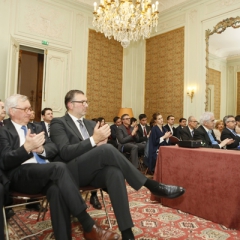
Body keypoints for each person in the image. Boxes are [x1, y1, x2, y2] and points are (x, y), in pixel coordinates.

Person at [50, 90, 185, 240]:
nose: (86, 105)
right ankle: (151, 185)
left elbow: (94, 149)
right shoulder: (59, 123)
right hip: (70, 173)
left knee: (114, 173)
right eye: (83, 102)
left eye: (87, 102)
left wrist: (99, 144)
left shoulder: (90, 124)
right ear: (70, 104)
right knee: (107, 149)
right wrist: (94, 141)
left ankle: (127, 233)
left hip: (91, 171)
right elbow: (65, 152)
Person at [0, 94, 120, 240]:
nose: (29, 112)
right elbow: (5, 160)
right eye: (25, 109)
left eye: (30, 108)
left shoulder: (36, 126)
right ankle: (88, 224)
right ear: (12, 111)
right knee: (59, 167)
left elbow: (53, 148)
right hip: (20, 175)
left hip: (43, 173)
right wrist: (26, 148)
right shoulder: (4, 130)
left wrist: (40, 150)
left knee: (56, 190)